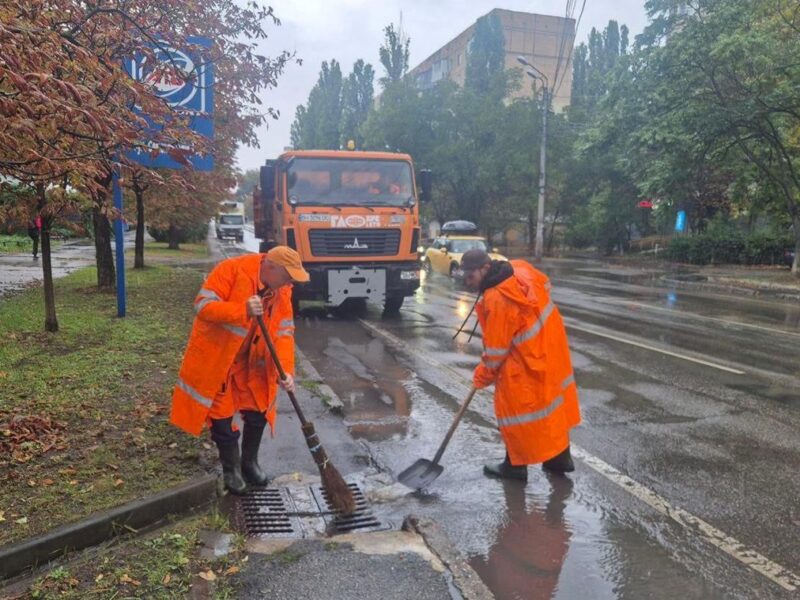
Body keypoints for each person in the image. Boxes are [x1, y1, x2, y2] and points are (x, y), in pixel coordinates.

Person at [170, 246, 310, 494]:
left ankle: (249, 463)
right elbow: (202, 306)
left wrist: (286, 371)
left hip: (252, 363)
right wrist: (242, 309)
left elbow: (284, 332)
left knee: (259, 410)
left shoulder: (282, 290)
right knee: (222, 419)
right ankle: (231, 470)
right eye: (288, 276)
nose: (290, 283)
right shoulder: (231, 270)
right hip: (220, 360)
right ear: (271, 267)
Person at [460, 249, 580, 480]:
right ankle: (560, 459)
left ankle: (514, 466)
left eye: (471, 276)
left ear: (485, 269)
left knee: (516, 412)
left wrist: (481, 377)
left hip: (526, 359)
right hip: (549, 347)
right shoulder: (518, 268)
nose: (468, 282)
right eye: (464, 276)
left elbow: (495, 353)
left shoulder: (497, 298)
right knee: (552, 405)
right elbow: (544, 284)